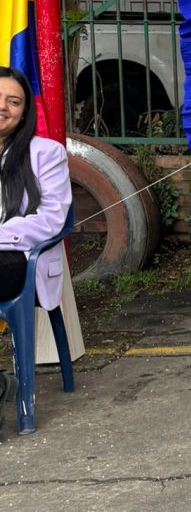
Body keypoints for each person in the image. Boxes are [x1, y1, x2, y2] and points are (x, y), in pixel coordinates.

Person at [0, 67, 73, 431]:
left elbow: (52, 219)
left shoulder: (46, 153)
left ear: (24, 112)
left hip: (19, 259)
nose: (3, 107)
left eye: (13, 101)